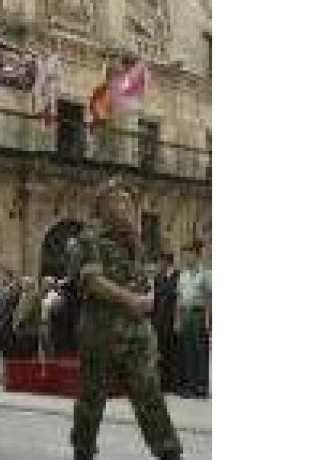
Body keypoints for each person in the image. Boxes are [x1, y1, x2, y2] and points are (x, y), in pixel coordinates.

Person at [66, 178, 182, 460]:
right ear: (102, 206)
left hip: (137, 332)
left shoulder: (135, 242)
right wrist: (130, 299)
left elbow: (144, 279)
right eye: (118, 200)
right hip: (101, 331)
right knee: (93, 397)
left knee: (149, 391)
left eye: (128, 201)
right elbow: (91, 280)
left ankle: (168, 451)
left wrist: (149, 296)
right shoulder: (89, 240)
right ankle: (83, 450)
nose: (125, 206)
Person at [176, 239, 211, 399]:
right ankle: (190, 385)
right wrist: (177, 320)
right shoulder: (183, 275)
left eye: (189, 255)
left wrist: (208, 320)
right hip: (185, 314)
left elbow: (209, 298)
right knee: (187, 351)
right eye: (185, 255)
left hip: (199, 314)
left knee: (200, 351)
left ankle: (202, 387)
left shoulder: (206, 274)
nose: (186, 258)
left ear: (197, 255)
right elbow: (179, 298)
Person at [153, 252, 181, 392]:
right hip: (159, 319)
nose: (159, 265)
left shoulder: (178, 276)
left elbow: (177, 297)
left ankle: (173, 383)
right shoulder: (158, 277)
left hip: (172, 317)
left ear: (167, 262)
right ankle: (163, 382)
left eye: (161, 262)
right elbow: (156, 297)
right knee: (161, 350)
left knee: (173, 351)